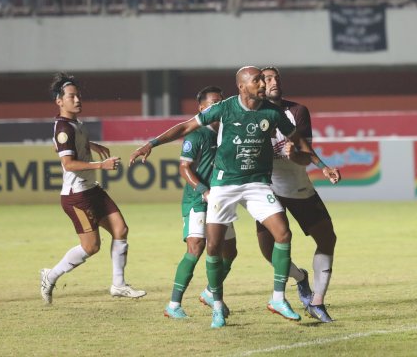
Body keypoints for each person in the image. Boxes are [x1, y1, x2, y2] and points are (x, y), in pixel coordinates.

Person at [130, 67, 340, 329]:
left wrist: (321, 164)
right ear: (242, 86)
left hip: (257, 184)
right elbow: (186, 126)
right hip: (224, 185)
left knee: (283, 234)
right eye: (257, 80)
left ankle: (277, 298)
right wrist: (151, 143)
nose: (262, 84)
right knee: (214, 247)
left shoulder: (272, 111)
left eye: (263, 80)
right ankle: (216, 306)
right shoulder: (225, 108)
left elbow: (298, 139)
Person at [40, 73, 146, 305]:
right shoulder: (63, 128)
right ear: (59, 101)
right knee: (91, 247)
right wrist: (101, 165)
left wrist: (91, 145)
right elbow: (67, 163)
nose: (77, 100)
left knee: (120, 229)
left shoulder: (73, 124)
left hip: (91, 189)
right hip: (76, 197)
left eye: (78, 95)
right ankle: (51, 275)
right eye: (71, 96)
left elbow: (67, 146)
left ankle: (118, 285)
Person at [257, 67, 341, 323]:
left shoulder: (297, 112)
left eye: (277, 78)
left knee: (327, 238)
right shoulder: (250, 115)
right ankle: (300, 277)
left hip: (297, 186)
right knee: (267, 250)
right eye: (268, 78)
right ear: (257, 85)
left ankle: (317, 302)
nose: (274, 82)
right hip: (266, 189)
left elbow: (305, 153)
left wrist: (316, 164)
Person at [164, 86, 238, 320]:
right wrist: (203, 190)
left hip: (221, 201)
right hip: (198, 199)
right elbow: (184, 168)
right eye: (214, 103)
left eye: (221, 102)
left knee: (230, 251)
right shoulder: (197, 134)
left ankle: (209, 293)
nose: (219, 106)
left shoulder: (226, 132)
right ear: (202, 108)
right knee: (196, 247)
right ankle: (173, 304)